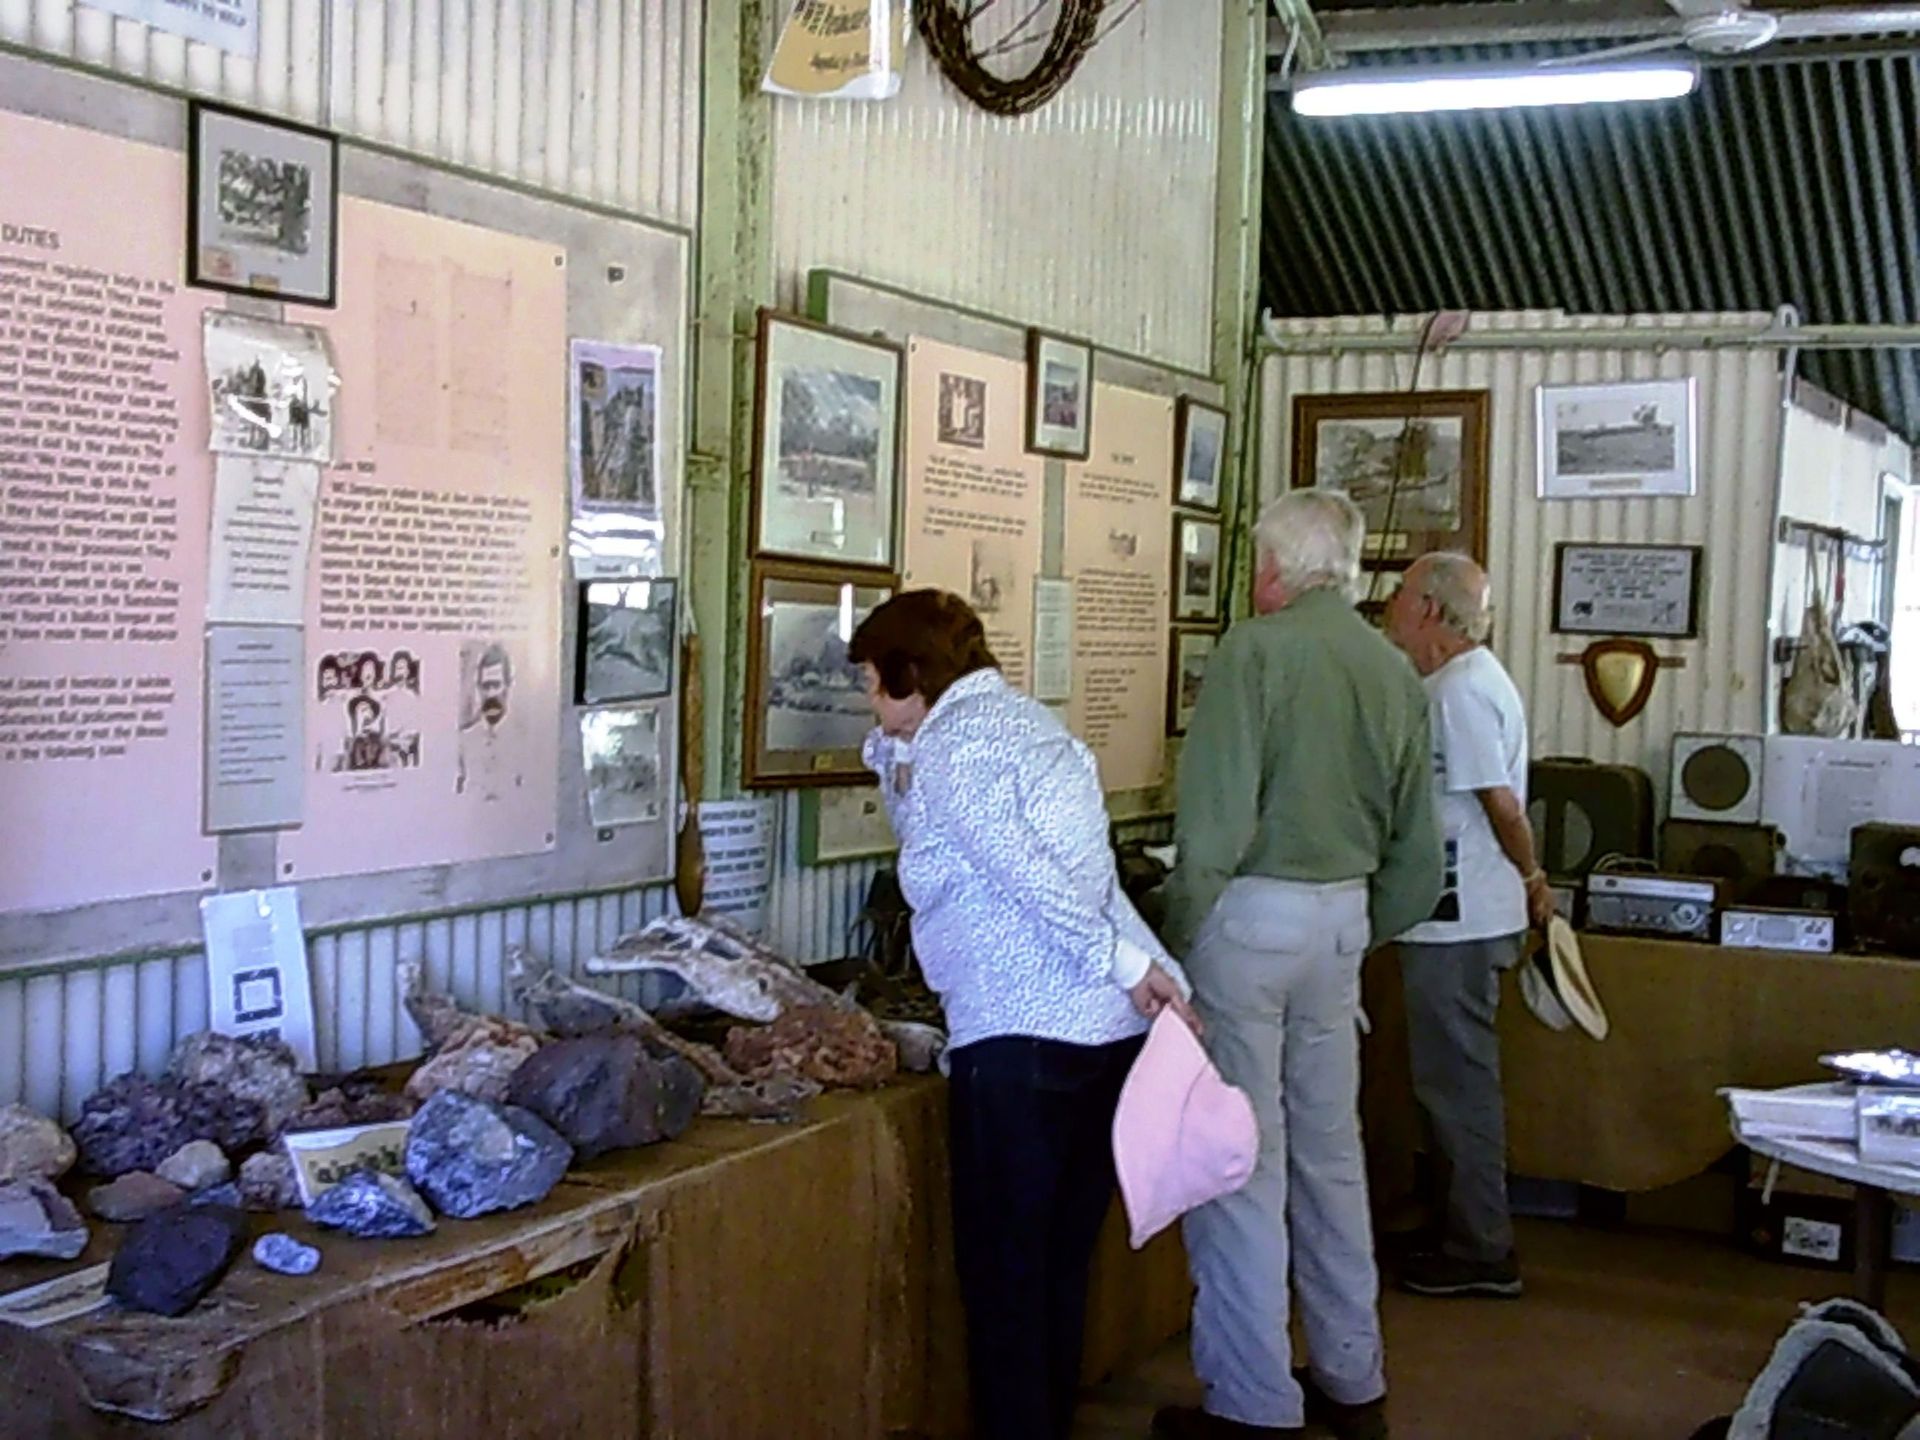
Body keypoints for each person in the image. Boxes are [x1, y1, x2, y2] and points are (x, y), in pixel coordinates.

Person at [848, 589, 1196, 1440]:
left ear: (909, 673)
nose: (867, 698)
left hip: (1022, 1041)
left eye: (871, 680)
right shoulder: (1027, 728)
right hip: (1098, 1038)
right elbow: (1096, 878)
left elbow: (1034, 881)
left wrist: (1129, 962)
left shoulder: (959, 750)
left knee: (1005, 1281)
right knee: (1055, 1270)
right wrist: (1153, 972)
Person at [1155, 490, 1443, 1440]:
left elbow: (1213, 829)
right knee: (1332, 1157)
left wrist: (1179, 937)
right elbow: (1420, 857)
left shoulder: (1255, 650)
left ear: (1275, 568)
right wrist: (1363, 928)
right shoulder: (1396, 670)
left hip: (1251, 922)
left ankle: (1254, 1405)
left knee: (1242, 1164)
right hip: (1344, 926)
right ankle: (1354, 1380)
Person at [1381, 552, 1552, 1300]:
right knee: (1443, 1083)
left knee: (1458, 1087)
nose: (1386, 608)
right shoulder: (1453, 684)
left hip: (1461, 917)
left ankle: (1483, 1248)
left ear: (1427, 608)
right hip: (1449, 913)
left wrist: (1534, 877)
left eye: (1395, 596)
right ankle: (1460, 1226)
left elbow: (1501, 804)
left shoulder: (1459, 690)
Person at [456, 642, 522, 802]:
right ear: (478, 688)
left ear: (507, 685)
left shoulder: (522, 741)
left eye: (496, 685)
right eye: (485, 686)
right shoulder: (464, 740)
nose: (491, 693)